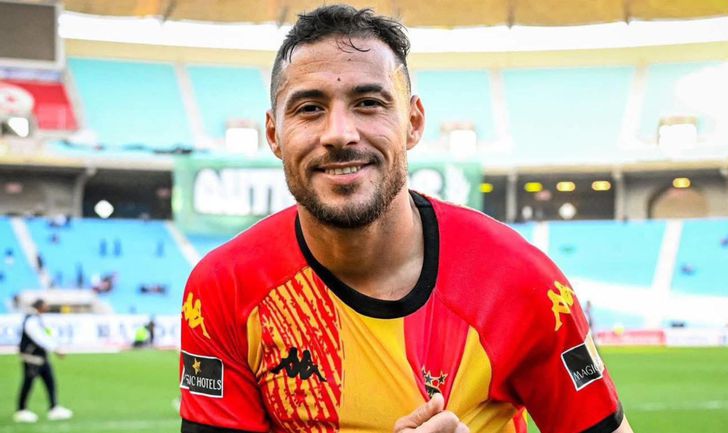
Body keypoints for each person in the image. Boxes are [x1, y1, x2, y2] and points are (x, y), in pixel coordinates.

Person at [179, 5, 633, 433]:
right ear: (274, 134)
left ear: (413, 122)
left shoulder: (521, 281)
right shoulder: (223, 287)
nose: (339, 133)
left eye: (368, 103)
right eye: (310, 108)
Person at [14, 299, 73, 423]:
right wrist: (55, 349)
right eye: (45, 306)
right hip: (32, 358)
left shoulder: (36, 318)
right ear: (39, 306)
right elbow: (39, 337)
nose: (47, 308)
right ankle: (21, 410)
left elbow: (45, 335)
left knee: (50, 382)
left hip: (42, 358)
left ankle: (54, 407)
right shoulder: (31, 320)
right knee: (28, 383)